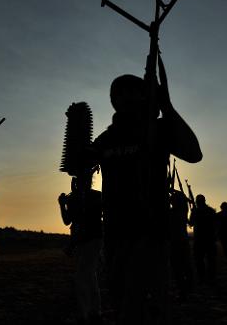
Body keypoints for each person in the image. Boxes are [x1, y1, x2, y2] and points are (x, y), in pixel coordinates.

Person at [92, 55, 202, 324]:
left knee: (150, 305)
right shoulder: (106, 139)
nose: (127, 100)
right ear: (114, 101)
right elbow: (78, 165)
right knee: (122, 304)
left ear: (144, 98)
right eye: (120, 95)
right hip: (116, 234)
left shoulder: (159, 128)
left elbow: (193, 153)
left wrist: (168, 107)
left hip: (151, 232)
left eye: (134, 94)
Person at [58, 174, 103, 325]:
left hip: (87, 240)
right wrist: (63, 204)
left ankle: (85, 314)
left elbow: (66, 220)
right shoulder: (96, 196)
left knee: (83, 276)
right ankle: (94, 312)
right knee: (90, 275)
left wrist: (62, 204)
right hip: (87, 241)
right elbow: (68, 220)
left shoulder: (88, 197)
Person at [168, 189, 193, 299]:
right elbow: (182, 197)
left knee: (177, 268)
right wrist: (172, 190)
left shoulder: (170, 213)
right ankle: (188, 286)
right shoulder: (183, 211)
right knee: (186, 265)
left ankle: (183, 289)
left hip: (174, 243)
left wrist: (169, 190)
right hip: (183, 241)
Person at [189, 194, 217, 285]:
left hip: (199, 239)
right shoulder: (211, 211)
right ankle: (211, 277)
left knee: (199, 259)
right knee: (211, 259)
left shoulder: (195, 211)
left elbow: (191, 224)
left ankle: (202, 277)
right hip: (210, 238)